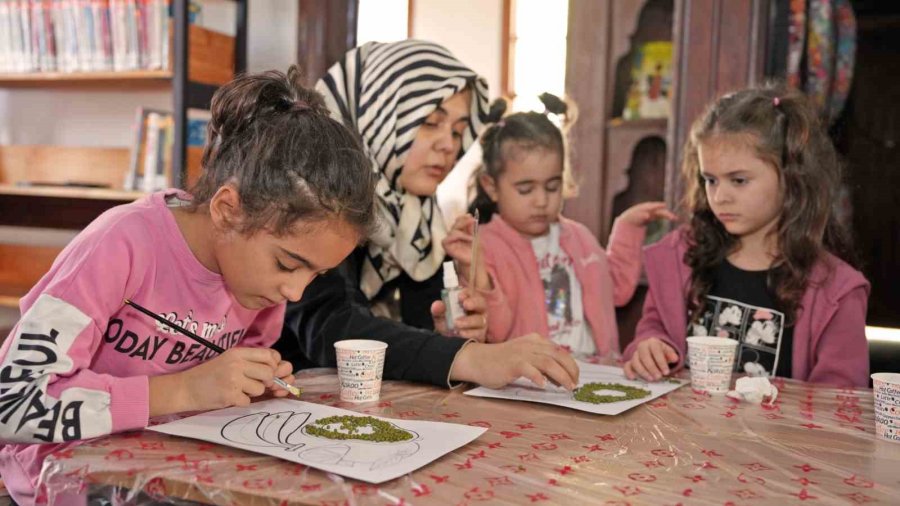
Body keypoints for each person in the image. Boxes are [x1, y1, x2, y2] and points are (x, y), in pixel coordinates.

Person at [0, 66, 378, 505]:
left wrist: (251, 386)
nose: (295, 293)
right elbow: (12, 404)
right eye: (288, 264)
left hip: (167, 475)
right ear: (227, 210)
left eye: (315, 275)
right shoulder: (121, 243)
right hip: (66, 483)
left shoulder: (256, 284)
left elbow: (217, 389)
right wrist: (184, 390)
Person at [276, 40, 580, 391]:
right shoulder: (311, 195)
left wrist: (454, 327)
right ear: (379, 117)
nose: (449, 145)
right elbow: (333, 327)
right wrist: (466, 356)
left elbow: (419, 332)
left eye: (456, 130)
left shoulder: (417, 216)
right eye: (431, 123)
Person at [622, 83, 869, 387]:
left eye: (739, 180)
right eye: (710, 180)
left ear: (791, 177)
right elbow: (653, 327)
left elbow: (840, 403)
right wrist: (650, 346)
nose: (720, 196)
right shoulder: (679, 257)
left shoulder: (837, 291)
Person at [448, 95, 673, 356]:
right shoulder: (484, 246)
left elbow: (616, 290)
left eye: (552, 186)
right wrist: (473, 270)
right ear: (491, 186)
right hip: (527, 384)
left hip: (591, 377)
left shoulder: (578, 236)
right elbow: (494, 332)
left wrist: (627, 228)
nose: (542, 201)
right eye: (525, 189)